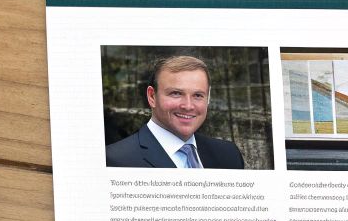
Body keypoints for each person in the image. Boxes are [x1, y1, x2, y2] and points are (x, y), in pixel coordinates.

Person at [106, 55, 248, 168]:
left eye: (198, 95)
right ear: (152, 96)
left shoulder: (229, 155)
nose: (188, 106)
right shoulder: (115, 160)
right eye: (176, 93)